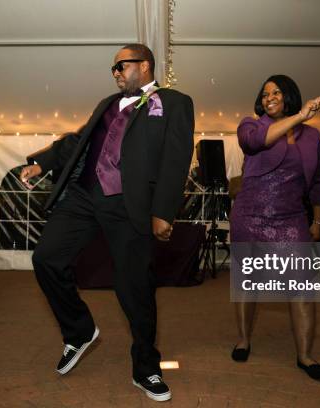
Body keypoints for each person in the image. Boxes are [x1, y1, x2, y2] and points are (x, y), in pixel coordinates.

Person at [19, 44, 194, 402]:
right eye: (112, 69)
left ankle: (146, 368)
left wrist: (164, 210)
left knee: (135, 289)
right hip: (84, 196)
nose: (115, 73)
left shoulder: (174, 102)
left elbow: (177, 158)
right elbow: (78, 142)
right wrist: (42, 163)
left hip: (128, 205)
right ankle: (79, 331)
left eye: (121, 66)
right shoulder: (107, 105)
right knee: (46, 258)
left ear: (144, 66)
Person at [229, 74, 320, 381]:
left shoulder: (312, 137)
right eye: (264, 93)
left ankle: (305, 356)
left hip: (291, 219)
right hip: (250, 215)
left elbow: (319, 181)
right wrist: (299, 116)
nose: (269, 97)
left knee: (301, 286)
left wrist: (317, 220)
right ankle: (244, 339)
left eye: (276, 92)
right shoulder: (251, 125)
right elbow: (257, 142)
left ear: (289, 96)